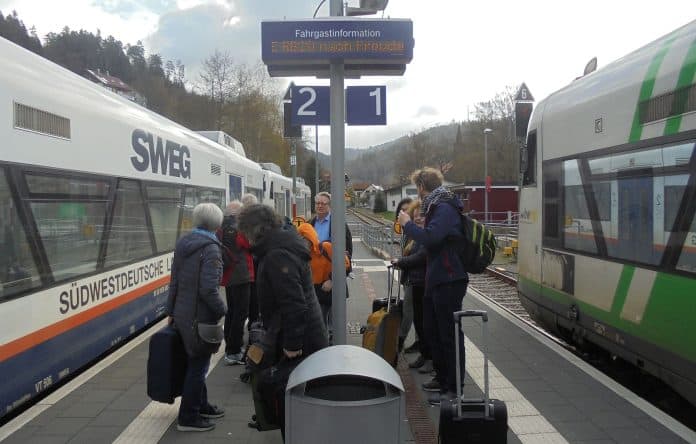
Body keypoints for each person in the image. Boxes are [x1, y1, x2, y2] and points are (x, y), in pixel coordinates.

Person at [237, 204, 328, 437]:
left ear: (255, 230)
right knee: (293, 396)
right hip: (300, 329)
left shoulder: (277, 254)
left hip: (300, 337)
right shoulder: (283, 243)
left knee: (291, 397)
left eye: (245, 232)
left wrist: (292, 344)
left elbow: (294, 303)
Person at [397, 167, 467, 404]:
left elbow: (431, 238)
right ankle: (442, 376)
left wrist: (407, 224)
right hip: (436, 278)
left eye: (418, 189)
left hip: (449, 279)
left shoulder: (444, 207)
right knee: (433, 330)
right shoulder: (436, 206)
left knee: (449, 334)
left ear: (421, 187)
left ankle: (454, 388)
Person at [166, 203, 227, 432]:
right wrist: (223, 310)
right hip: (200, 317)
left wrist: (170, 312)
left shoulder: (184, 243)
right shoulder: (211, 249)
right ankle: (188, 418)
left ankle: (201, 405)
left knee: (195, 362)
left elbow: (175, 281)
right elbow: (208, 290)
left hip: (183, 314)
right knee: (198, 366)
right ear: (217, 224)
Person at [392, 200, 431, 372]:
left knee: (420, 319)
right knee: (420, 320)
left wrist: (401, 262)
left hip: (422, 283)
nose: (417, 219)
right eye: (414, 217)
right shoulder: (411, 235)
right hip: (413, 281)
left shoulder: (425, 235)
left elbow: (421, 256)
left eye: (421, 216)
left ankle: (401, 345)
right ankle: (424, 353)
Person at [217, 200, 254, 365]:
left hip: (229, 275)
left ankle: (229, 346)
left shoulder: (221, 227)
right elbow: (248, 244)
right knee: (241, 313)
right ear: (237, 214)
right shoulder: (237, 229)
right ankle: (233, 351)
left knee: (231, 311)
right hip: (240, 275)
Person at [296, 222, 350, 329]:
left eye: (305, 239)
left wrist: (331, 280)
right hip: (318, 294)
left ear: (310, 237)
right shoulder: (302, 255)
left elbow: (346, 264)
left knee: (335, 325)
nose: (303, 243)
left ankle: (335, 343)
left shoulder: (326, 247)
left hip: (335, 291)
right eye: (300, 240)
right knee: (320, 325)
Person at [393, 197, 414, 352]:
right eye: (402, 210)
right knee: (415, 312)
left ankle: (399, 341)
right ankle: (420, 344)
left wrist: (401, 262)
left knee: (408, 311)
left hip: (415, 278)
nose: (405, 213)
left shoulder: (415, 231)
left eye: (408, 210)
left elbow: (418, 256)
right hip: (409, 277)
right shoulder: (405, 232)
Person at [309, 191, 353, 259]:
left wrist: (346, 261)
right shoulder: (310, 223)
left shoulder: (338, 223)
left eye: (323, 204)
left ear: (329, 205)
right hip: (314, 265)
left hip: (332, 264)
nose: (320, 206)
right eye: (318, 203)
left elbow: (348, 245)